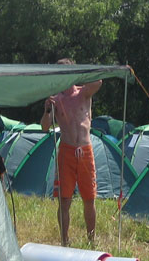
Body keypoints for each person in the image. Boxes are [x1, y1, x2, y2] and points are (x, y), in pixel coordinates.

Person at [41, 61, 103, 247]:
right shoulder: (56, 99)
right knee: (65, 200)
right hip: (66, 151)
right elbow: (45, 127)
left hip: (85, 150)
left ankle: (91, 240)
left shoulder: (84, 92)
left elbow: (99, 80)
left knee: (89, 198)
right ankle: (64, 241)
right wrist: (47, 109)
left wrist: (78, 74)